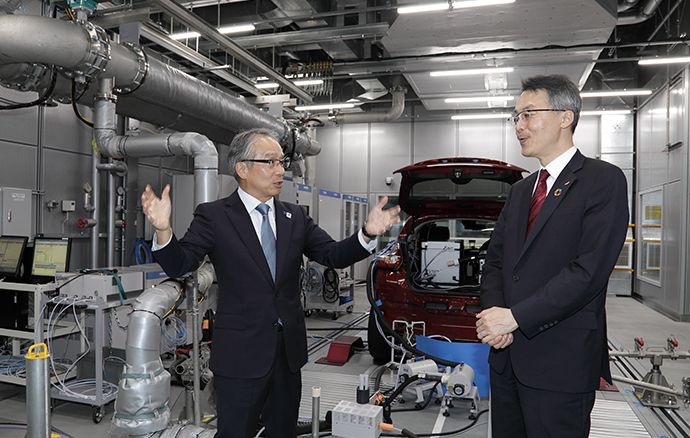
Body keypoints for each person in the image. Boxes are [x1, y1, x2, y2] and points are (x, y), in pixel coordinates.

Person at [141, 128, 401, 438]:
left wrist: (367, 233)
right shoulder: (214, 216)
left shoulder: (294, 216)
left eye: (282, 162)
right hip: (240, 356)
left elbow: (333, 254)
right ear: (242, 169)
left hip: (286, 355)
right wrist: (162, 230)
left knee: (283, 432)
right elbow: (182, 263)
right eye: (271, 162)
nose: (281, 171)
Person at [475, 75, 629, 438]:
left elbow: (588, 271)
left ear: (565, 117)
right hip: (506, 357)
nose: (519, 125)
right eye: (515, 117)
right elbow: (495, 262)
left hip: (560, 362)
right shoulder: (520, 191)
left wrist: (514, 317)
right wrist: (494, 320)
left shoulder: (602, 180)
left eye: (528, 114)